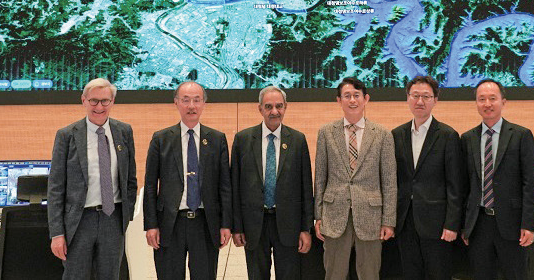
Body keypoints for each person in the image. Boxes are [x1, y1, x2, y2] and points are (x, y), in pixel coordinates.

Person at [47, 78, 137, 279]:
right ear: (84, 101)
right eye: (94, 101)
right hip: (79, 222)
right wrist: (57, 233)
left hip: (112, 219)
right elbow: (55, 188)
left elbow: (130, 178)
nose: (99, 107)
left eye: (105, 101)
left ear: (112, 102)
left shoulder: (124, 131)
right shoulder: (67, 135)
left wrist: (126, 215)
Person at [144, 80, 232, 280]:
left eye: (196, 100)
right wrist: (151, 225)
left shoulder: (217, 139)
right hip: (169, 224)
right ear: (176, 102)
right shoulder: (161, 139)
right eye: (185, 100)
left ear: (204, 103)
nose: (191, 106)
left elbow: (225, 186)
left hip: (205, 223)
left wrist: (226, 224)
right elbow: (150, 185)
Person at [314, 77, 396, 280]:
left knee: (369, 274)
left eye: (356, 95)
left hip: (371, 216)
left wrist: (388, 220)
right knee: (334, 274)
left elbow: (389, 181)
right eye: (347, 96)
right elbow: (320, 178)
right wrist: (318, 215)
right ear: (339, 100)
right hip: (334, 214)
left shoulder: (383, 135)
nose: (352, 100)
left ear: (366, 99)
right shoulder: (326, 133)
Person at [230, 86, 314, 280]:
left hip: (288, 224)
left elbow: (305, 188)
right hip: (254, 225)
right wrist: (237, 227)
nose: (274, 111)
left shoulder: (298, 140)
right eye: (268, 106)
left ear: (286, 107)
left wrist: (305, 228)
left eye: (279, 106)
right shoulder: (243, 140)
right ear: (260, 108)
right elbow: (235, 187)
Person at [461, 79, 534, 280]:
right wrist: (465, 226)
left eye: (492, 98)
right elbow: (464, 186)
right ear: (476, 103)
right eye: (482, 99)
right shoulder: (468, 138)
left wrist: (530, 224)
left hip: (513, 224)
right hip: (478, 225)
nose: (487, 104)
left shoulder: (521, 135)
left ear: (503, 102)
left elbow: (531, 184)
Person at [391, 75, 464, 280]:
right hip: (405, 222)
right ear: (408, 98)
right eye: (415, 96)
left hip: (437, 225)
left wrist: (452, 224)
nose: (420, 101)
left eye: (426, 96)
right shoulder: (396, 135)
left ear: (435, 100)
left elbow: (456, 185)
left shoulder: (448, 135)